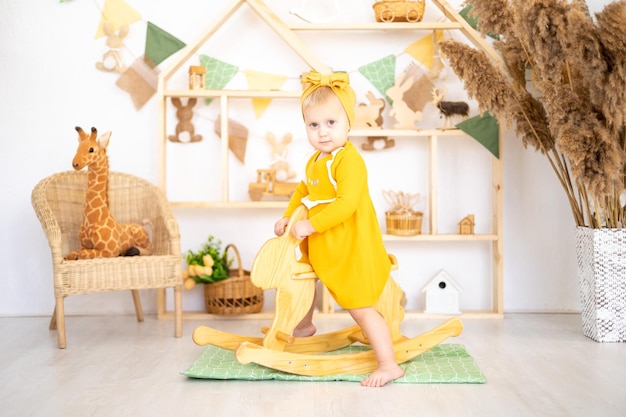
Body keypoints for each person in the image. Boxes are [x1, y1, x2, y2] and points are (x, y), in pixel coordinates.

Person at [273, 70, 404, 387]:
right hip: (325, 244)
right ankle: (304, 326)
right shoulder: (315, 160)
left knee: (360, 307)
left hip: (350, 247)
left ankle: (388, 364)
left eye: (331, 123)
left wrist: (311, 224)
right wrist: (288, 217)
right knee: (302, 276)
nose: (322, 132)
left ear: (348, 123)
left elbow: (345, 204)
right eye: (313, 125)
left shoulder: (349, 160)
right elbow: (303, 191)